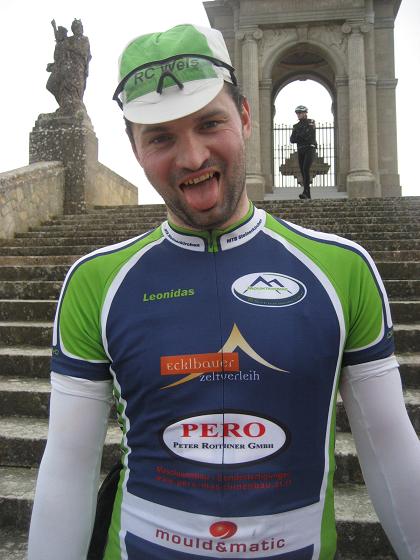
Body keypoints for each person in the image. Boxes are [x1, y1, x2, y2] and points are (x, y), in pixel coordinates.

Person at [28, 23, 420, 560]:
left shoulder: (343, 269)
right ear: (135, 148)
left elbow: (393, 452)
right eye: (160, 137)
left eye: (209, 123)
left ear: (246, 117)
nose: (192, 158)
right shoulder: (95, 281)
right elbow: (68, 466)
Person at [290, 105, 317, 200]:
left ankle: (306, 191)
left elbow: (308, 135)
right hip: (301, 150)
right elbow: (292, 139)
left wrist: (299, 135)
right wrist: (301, 135)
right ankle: (307, 194)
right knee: (302, 171)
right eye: (297, 113)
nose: (298, 114)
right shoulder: (296, 126)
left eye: (300, 113)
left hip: (310, 148)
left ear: (305, 113)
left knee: (305, 169)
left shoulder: (311, 122)